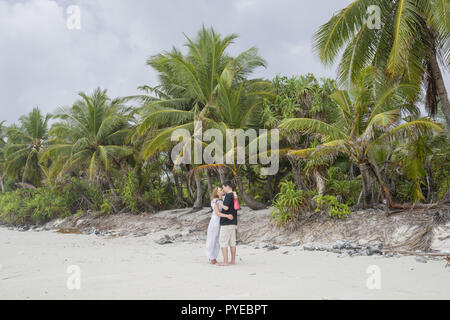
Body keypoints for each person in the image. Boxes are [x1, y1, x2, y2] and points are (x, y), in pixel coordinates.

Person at [206, 187, 233, 264]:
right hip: (215, 221)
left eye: (222, 189)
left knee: (218, 240)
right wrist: (227, 216)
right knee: (212, 239)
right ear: (217, 193)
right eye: (220, 190)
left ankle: (214, 257)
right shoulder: (215, 201)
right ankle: (211, 257)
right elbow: (217, 213)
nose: (222, 190)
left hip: (221, 221)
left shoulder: (223, 198)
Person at [217, 181, 238, 266]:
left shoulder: (229, 196)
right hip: (233, 222)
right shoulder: (234, 195)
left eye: (223, 187)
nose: (223, 189)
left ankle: (225, 261)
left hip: (226, 223)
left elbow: (226, 208)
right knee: (232, 242)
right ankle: (232, 261)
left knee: (223, 242)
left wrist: (220, 203)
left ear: (227, 186)